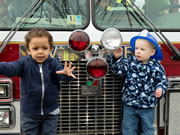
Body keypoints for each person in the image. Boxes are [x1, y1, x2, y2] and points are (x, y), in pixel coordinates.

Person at [0, 28, 76, 135]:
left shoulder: (54, 64)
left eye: (44, 48)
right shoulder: (23, 64)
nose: (40, 52)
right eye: (35, 48)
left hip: (51, 113)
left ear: (50, 49)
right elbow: (11, 68)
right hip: (29, 114)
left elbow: (61, 74)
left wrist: (66, 75)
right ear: (28, 50)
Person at [108, 29, 168, 135]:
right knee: (128, 129)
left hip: (148, 107)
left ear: (152, 52)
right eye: (136, 48)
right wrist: (117, 58)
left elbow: (162, 81)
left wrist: (160, 89)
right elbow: (118, 70)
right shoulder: (130, 62)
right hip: (129, 105)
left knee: (148, 130)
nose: (138, 51)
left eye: (142, 49)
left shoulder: (157, 67)